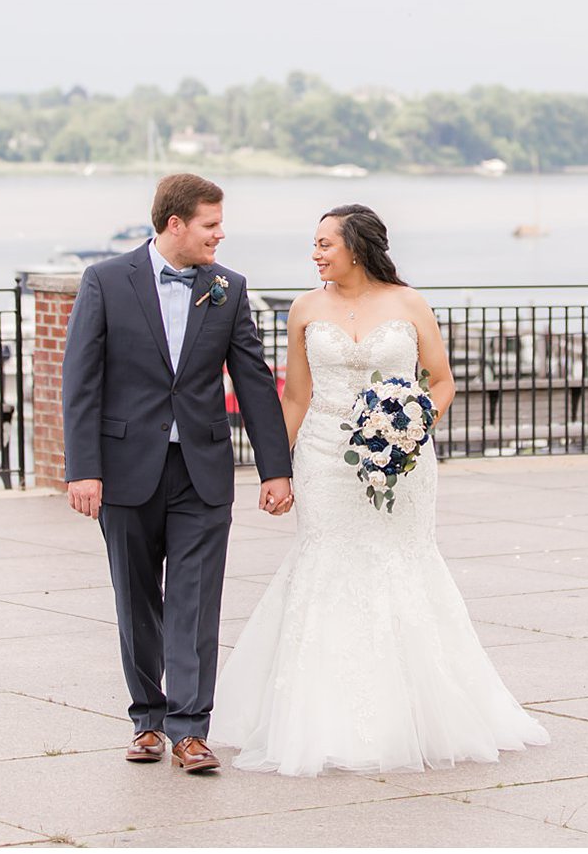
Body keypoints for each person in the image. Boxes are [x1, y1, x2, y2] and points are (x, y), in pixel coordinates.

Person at [213, 204, 549, 776]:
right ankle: (321, 717)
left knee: (401, 564)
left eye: (325, 243)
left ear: (357, 247)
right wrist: (277, 470)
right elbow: (294, 396)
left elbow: (440, 383)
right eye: (313, 244)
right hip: (323, 456)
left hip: (404, 461)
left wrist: (411, 431)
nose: (315, 253)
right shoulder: (304, 308)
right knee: (327, 564)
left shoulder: (408, 303)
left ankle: (415, 713)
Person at [61, 173, 294, 774]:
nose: (220, 236)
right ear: (175, 225)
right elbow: (80, 384)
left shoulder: (228, 288)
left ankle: (191, 729)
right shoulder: (106, 281)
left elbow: (254, 381)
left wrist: (276, 470)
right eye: (210, 226)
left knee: (195, 600)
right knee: (136, 596)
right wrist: (83, 469)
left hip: (202, 469)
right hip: (124, 469)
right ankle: (147, 719)